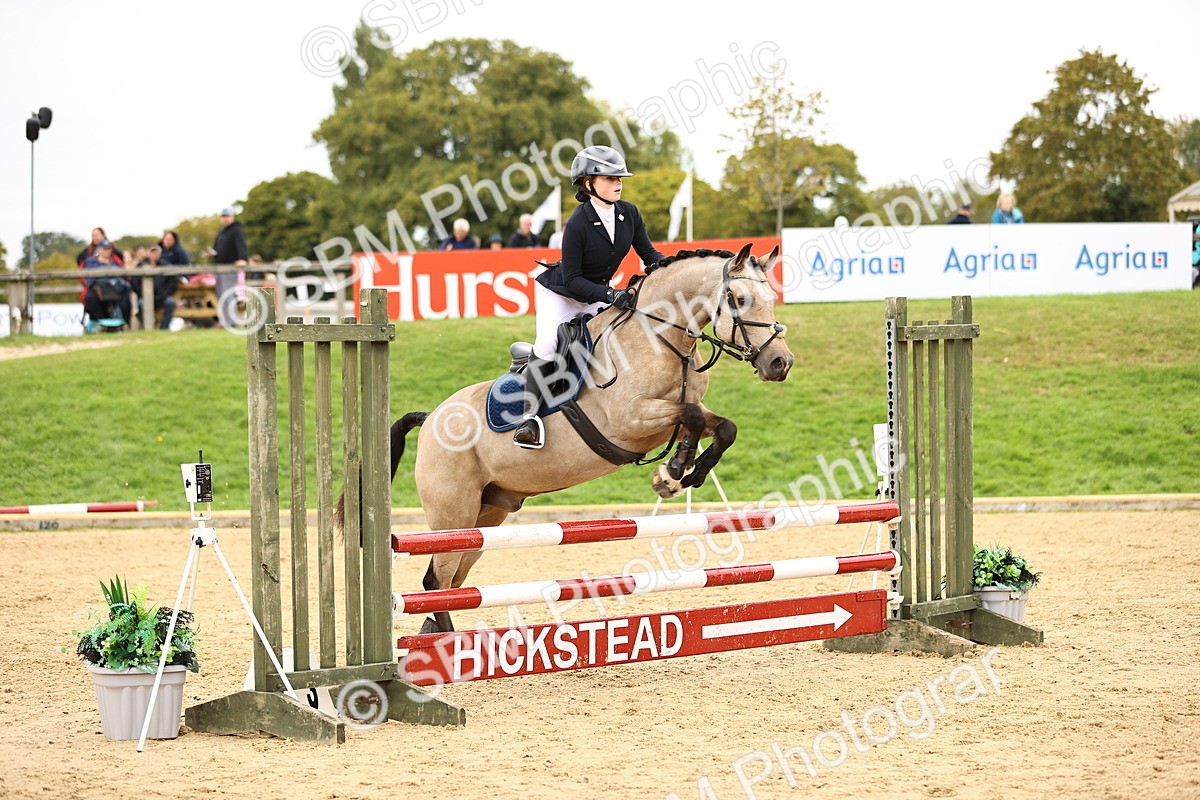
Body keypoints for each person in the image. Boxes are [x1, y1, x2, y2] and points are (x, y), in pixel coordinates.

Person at [512, 145, 663, 449]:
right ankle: (527, 419)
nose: (618, 183)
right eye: (610, 178)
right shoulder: (578, 223)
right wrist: (610, 294)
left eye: (619, 177)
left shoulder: (629, 213)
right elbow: (573, 279)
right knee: (549, 343)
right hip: (563, 293)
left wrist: (675, 265)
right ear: (588, 183)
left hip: (598, 290)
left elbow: (649, 255)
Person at [81, 239, 132, 327]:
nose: (107, 251)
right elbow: (89, 279)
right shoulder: (91, 262)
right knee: (90, 297)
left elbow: (123, 276)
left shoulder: (115, 262)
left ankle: (124, 323)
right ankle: (100, 323)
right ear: (99, 250)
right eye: (104, 249)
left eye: (109, 249)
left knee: (126, 294)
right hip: (98, 290)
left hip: (115, 290)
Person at [208, 207, 248, 318]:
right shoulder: (222, 232)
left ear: (232, 217)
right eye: (223, 217)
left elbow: (240, 245)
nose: (225, 219)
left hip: (230, 268)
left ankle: (231, 321)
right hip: (220, 267)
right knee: (221, 295)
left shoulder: (236, 229)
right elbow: (218, 249)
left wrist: (242, 258)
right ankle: (225, 320)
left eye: (227, 216)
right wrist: (214, 253)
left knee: (228, 294)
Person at [136, 244, 179, 330]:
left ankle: (164, 327)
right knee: (141, 304)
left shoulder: (166, 265)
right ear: (148, 253)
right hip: (145, 297)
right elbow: (135, 283)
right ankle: (146, 327)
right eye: (152, 252)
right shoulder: (140, 266)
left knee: (171, 303)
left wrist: (164, 293)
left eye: (157, 252)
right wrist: (142, 293)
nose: (154, 254)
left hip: (162, 297)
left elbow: (173, 281)